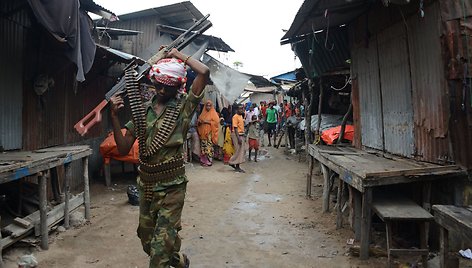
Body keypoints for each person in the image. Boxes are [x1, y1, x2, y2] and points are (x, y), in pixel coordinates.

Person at [110, 48, 209, 268]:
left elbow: (204, 73)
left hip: (173, 187)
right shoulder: (142, 111)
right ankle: (178, 260)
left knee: (158, 254)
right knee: (148, 242)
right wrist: (114, 117)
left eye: (168, 86)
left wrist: (178, 55)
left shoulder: (183, 108)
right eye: (159, 84)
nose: (162, 89)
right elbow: (124, 148)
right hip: (147, 186)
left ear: (177, 86)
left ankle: (167, 256)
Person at [197, 100, 220, 166]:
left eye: (210, 105)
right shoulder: (202, 113)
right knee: (203, 147)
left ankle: (209, 160)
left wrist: (207, 122)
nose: (208, 107)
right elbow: (198, 122)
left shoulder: (214, 113)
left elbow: (216, 123)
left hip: (209, 134)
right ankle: (203, 161)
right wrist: (199, 122)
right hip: (203, 134)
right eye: (207, 105)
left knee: (209, 146)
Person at [229, 104, 246, 173]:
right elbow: (235, 128)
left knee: (241, 151)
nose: (241, 110)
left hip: (240, 134)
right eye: (240, 109)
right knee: (238, 150)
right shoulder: (235, 117)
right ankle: (232, 162)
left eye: (242, 108)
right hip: (237, 135)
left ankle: (236, 165)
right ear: (236, 110)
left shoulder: (240, 116)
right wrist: (238, 138)